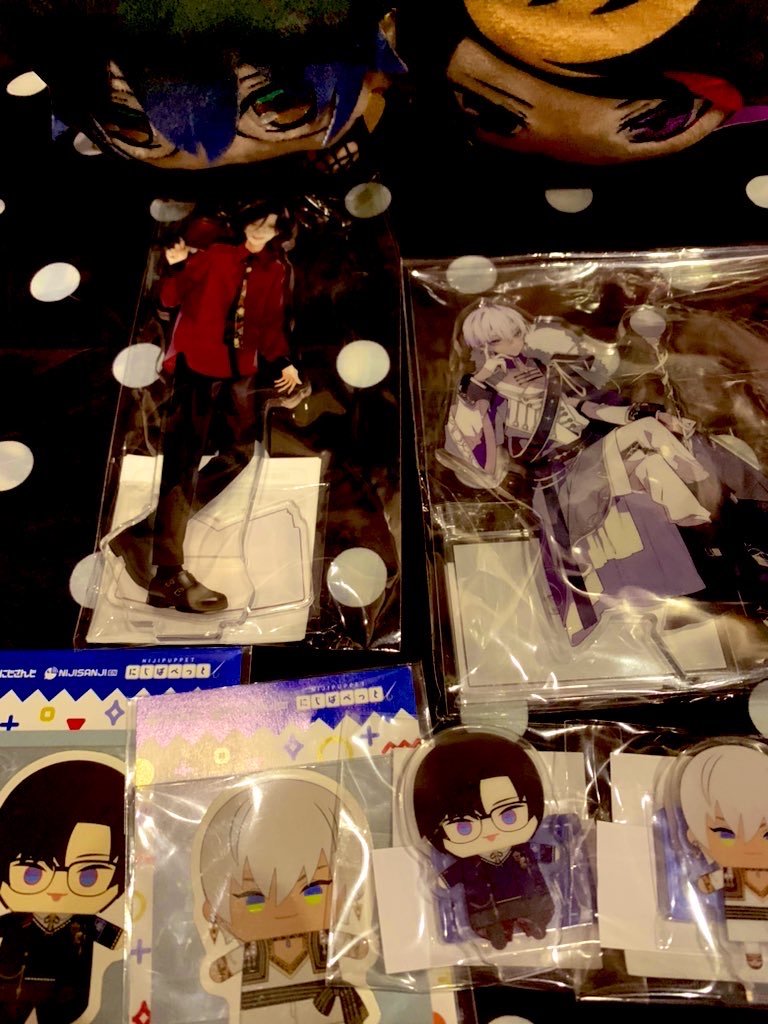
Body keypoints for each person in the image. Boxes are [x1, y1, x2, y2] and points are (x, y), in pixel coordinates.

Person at [444, 299, 768, 645]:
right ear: (481, 348)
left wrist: (645, 412)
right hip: (563, 483)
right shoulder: (485, 397)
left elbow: (588, 408)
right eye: (497, 341)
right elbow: (483, 464)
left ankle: (710, 526)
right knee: (645, 434)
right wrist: (479, 387)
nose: (512, 345)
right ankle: (718, 512)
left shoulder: (543, 372)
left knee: (651, 458)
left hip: (594, 461)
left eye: (515, 335)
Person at [109, 200, 301, 613]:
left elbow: (269, 324)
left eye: (270, 227)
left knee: (240, 452)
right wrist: (177, 267)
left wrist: (284, 362)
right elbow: (170, 299)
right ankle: (167, 571)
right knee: (181, 462)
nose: (260, 231)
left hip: (239, 372)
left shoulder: (274, 270)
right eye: (256, 222)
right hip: (195, 367)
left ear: (279, 234)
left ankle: (145, 532)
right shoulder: (215, 256)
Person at [196, 774, 377, 1024]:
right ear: (214, 908)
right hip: (265, 1011)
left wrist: (356, 945)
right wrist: (222, 967)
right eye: (254, 900)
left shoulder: (323, 942)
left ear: (348, 891)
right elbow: (226, 967)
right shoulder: (253, 953)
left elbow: (350, 946)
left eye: (312, 892)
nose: (285, 910)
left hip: (324, 1011)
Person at [0, 755, 125, 1024]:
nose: (57, 890)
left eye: (87, 877)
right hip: (14, 990)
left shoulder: (86, 922)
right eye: (32, 874)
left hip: (66, 995)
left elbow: (120, 940)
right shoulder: (18, 920)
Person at [412, 727, 555, 950]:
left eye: (508, 816)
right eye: (465, 828)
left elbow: (540, 852)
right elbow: (455, 874)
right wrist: (445, 880)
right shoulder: (470, 862)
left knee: (535, 910)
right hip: (487, 908)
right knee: (489, 921)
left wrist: (552, 852)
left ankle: (535, 925)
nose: (490, 833)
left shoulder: (521, 850)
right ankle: (498, 933)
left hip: (530, 897)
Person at [678, 742, 768, 971]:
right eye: (726, 835)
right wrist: (707, 882)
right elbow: (713, 881)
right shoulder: (731, 873)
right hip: (742, 912)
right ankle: (752, 954)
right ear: (694, 835)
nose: (750, 847)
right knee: (749, 933)